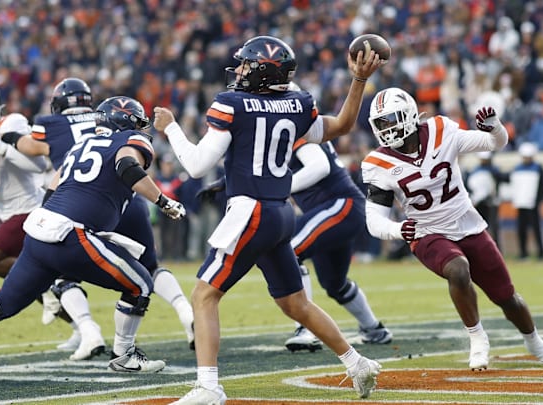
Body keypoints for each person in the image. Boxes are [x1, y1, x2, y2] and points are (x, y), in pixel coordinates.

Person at [153, 35, 383, 404]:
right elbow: (341, 125)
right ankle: (357, 363)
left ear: (262, 70)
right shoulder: (297, 104)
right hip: (280, 213)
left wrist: (171, 128)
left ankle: (209, 387)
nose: (240, 69)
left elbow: (196, 166)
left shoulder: (232, 104)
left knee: (204, 296)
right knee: (295, 304)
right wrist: (359, 81)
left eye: (246, 64)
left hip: (251, 212)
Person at [0, 96, 186, 373]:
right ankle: (124, 355)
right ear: (126, 122)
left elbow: (53, 186)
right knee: (141, 284)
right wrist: (164, 202)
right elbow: (126, 167)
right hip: (71, 235)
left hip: (40, 231)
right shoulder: (128, 141)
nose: (141, 129)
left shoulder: (81, 145)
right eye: (138, 123)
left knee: (1, 304)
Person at [361, 87, 543, 371]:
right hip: (427, 232)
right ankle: (477, 337)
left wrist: (494, 127)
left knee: (507, 297)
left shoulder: (440, 130)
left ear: (409, 114)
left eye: (391, 119)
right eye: (381, 123)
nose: (387, 128)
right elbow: (374, 220)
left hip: (467, 223)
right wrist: (399, 230)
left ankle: (535, 342)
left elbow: (495, 143)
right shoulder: (378, 163)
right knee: (458, 269)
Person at [0, 79, 106, 360]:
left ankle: (51, 291)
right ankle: (79, 327)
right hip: (9, 215)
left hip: (33, 207)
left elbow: (38, 164)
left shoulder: (11, 123)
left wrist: (2, 148)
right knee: (32, 278)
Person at [283, 139, 392, 352]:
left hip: (340, 205)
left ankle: (305, 328)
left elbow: (319, 167)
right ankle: (373, 329)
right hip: (339, 210)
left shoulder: (298, 130)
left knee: (289, 252)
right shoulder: (282, 135)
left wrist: (278, 188)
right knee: (334, 283)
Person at [509, 143, 543, 260]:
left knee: (537, 228)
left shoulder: (538, 168)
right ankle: (523, 253)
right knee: (521, 229)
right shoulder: (517, 169)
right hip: (521, 204)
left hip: (533, 204)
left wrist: (538, 200)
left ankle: (541, 253)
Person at [465, 151, 506, 249]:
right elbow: (470, 186)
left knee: (494, 227)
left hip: (492, 202)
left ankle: (497, 248)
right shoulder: (475, 171)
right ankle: (483, 248)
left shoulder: (494, 170)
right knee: (481, 227)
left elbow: (500, 182)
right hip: (480, 203)